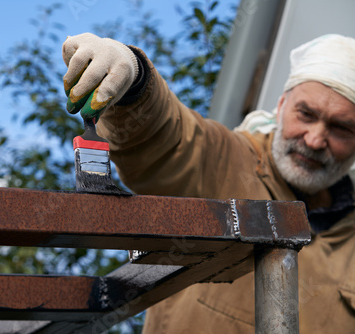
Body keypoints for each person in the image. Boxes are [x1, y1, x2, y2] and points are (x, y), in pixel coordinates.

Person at [62, 33, 355, 333]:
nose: (316, 139)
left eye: (341, 128)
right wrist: (135, 83)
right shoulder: (228, 160)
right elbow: (169, 139)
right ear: (281, 106)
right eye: (306, 114)